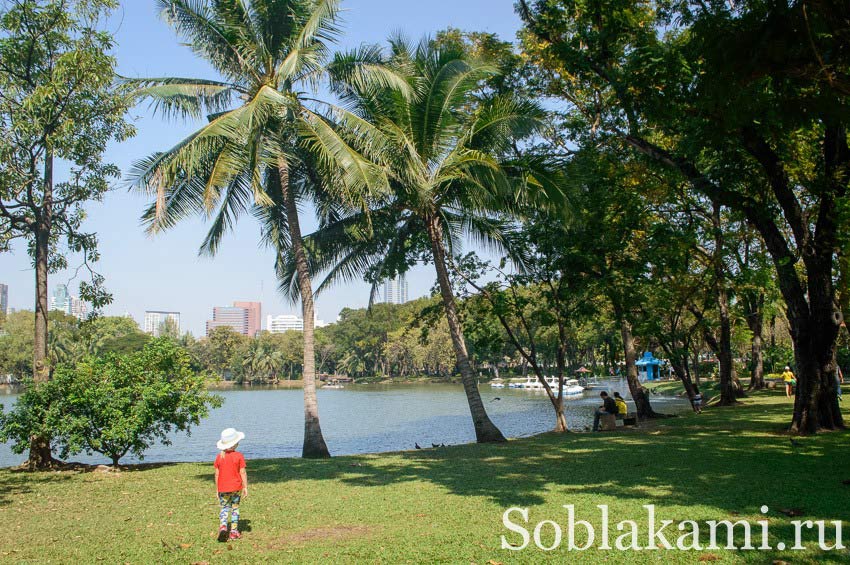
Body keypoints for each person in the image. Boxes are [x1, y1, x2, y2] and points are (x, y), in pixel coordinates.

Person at [214, 428, 248, 541]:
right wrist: (245, 487)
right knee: (235, 508)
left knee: (224, 508)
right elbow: (242, 472)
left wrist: (217, 489)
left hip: (223, 488)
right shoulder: (239, 456)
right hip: (236, 488)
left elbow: (217, 474)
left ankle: (223, 527)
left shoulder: (219, 457)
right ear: (235, 444)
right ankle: (233, 532)